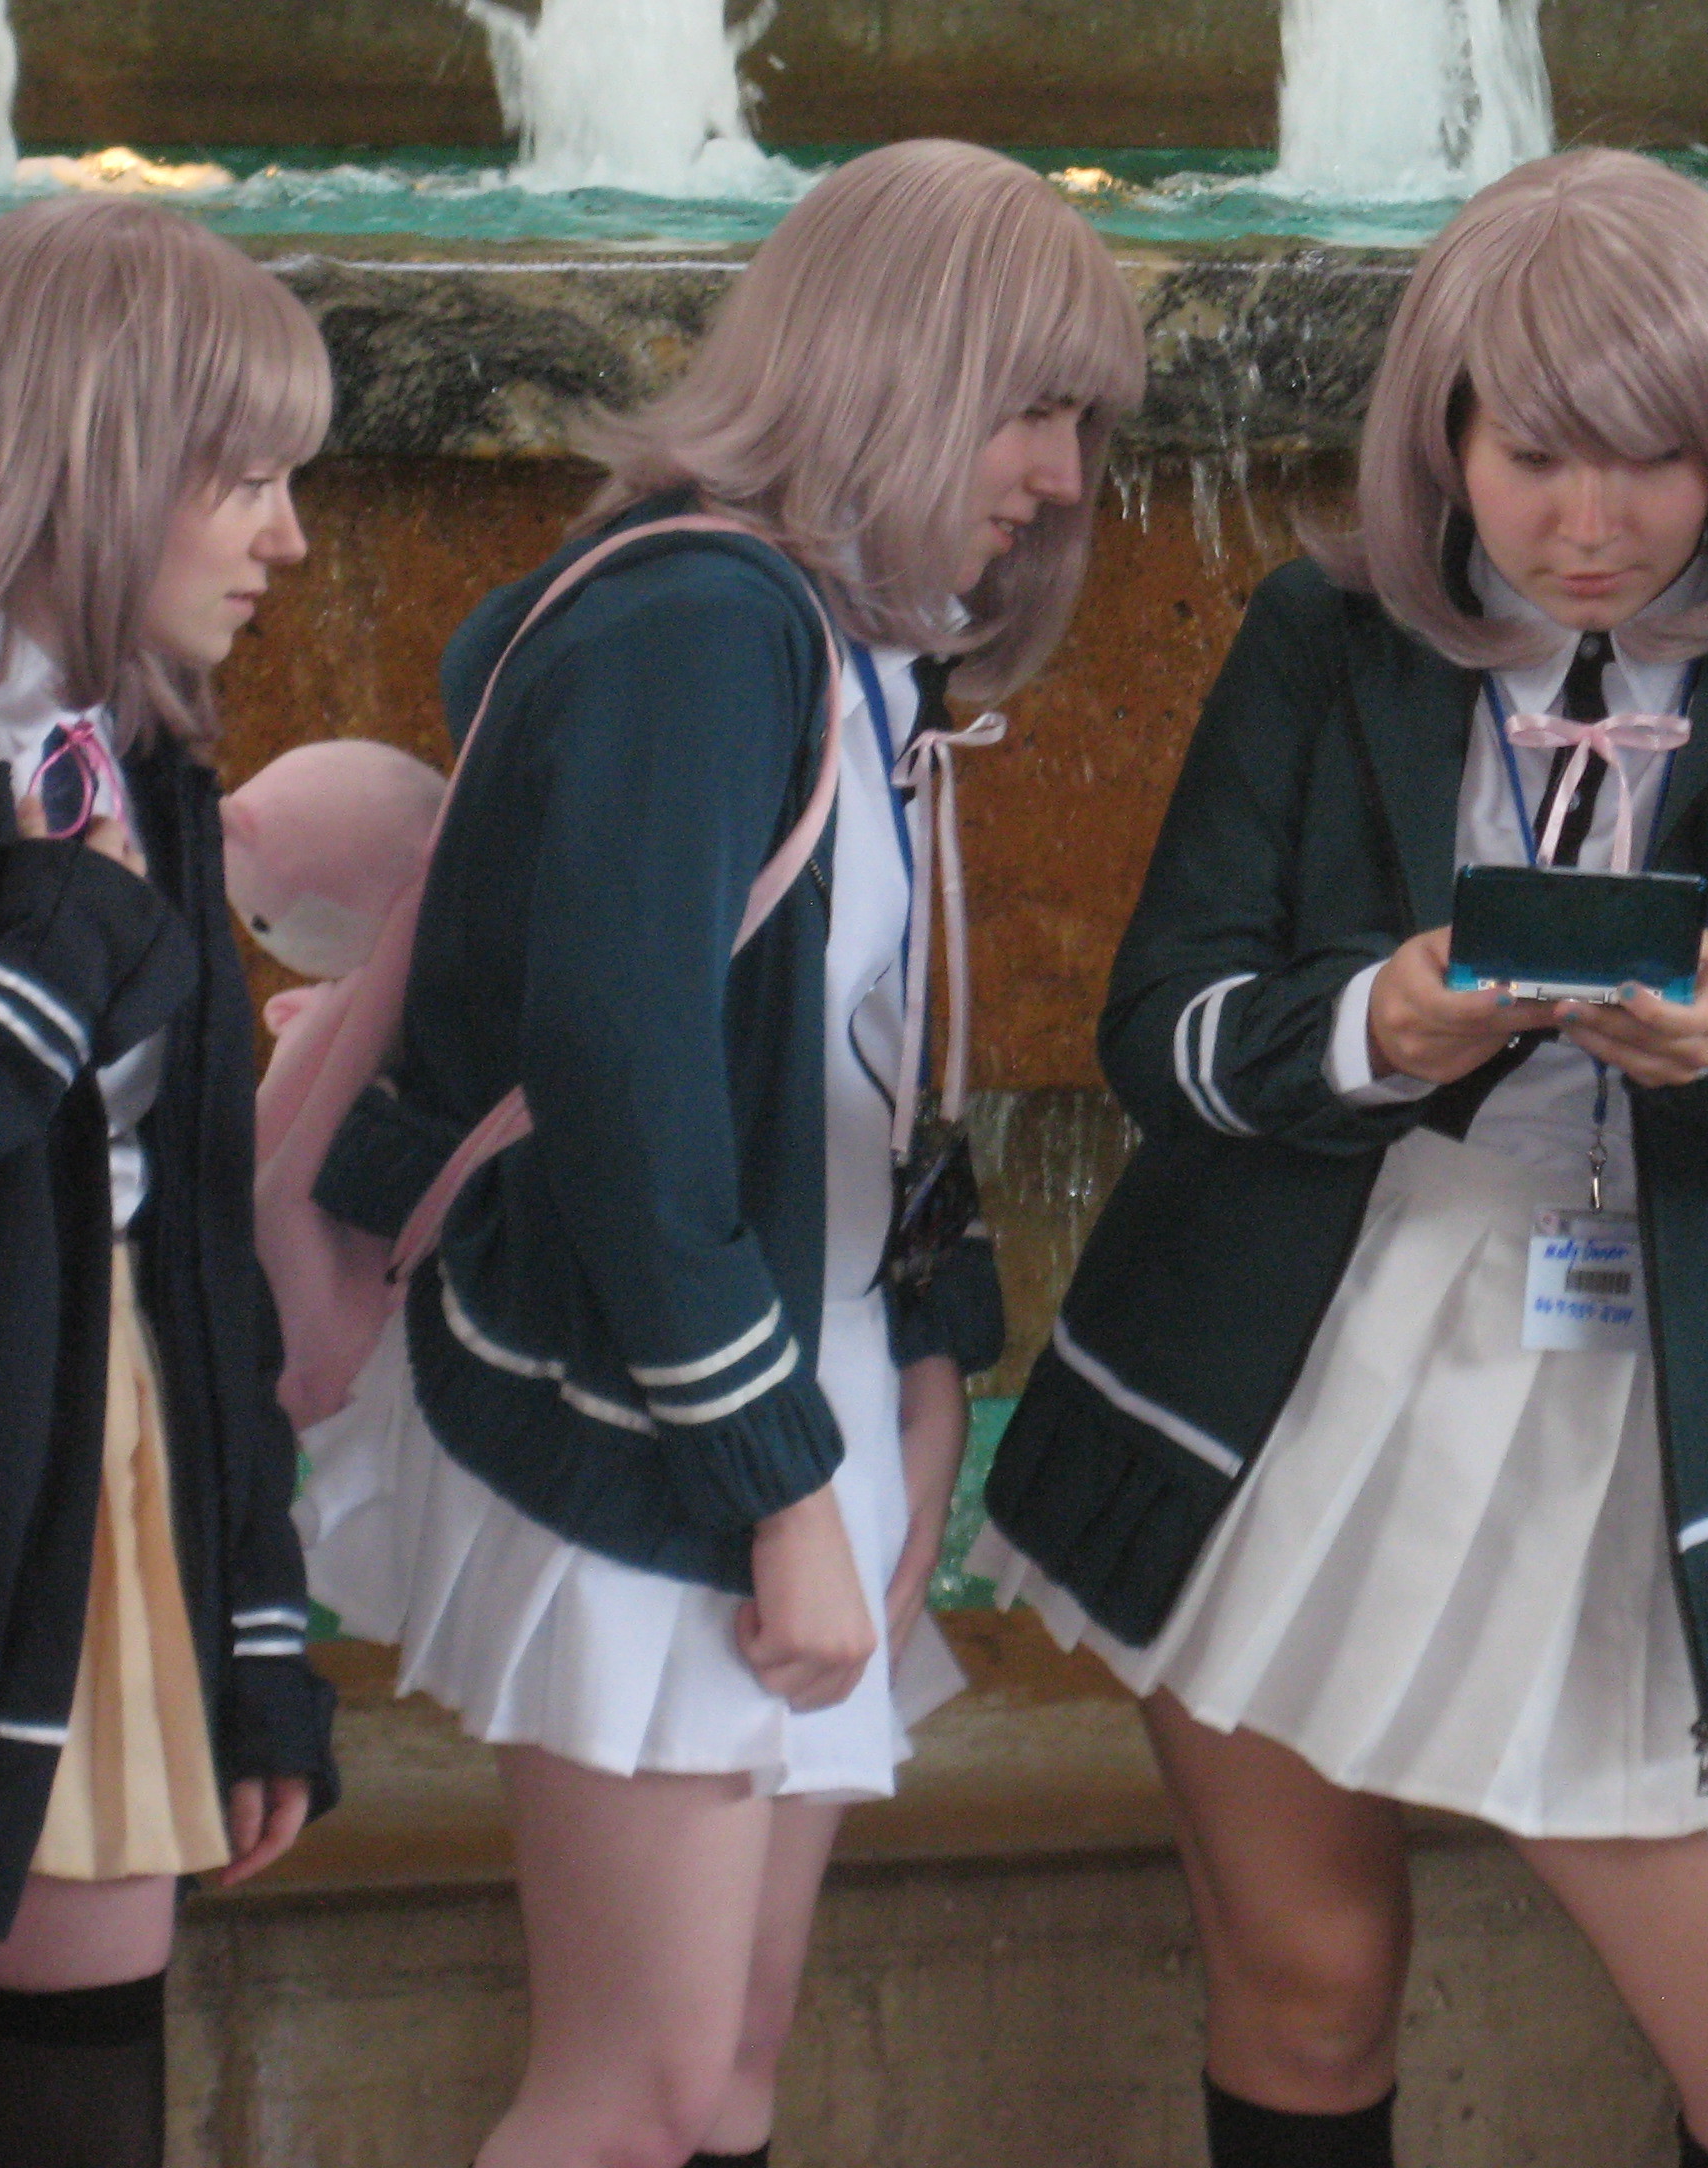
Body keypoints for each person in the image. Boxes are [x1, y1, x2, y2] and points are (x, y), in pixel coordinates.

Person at [973, 147, 1708, 2168]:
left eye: (1657, 458)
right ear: (1446, 437)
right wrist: (1375, 1028)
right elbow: (1158, 1030)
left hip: (1634, 1413)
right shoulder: (1328, 635)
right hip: (1279, 1379)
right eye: (1535, 457)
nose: (1592, 523)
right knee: (1311, 1994)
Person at [295, 139, 1145, 2168]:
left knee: (735, 2059)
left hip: (787, 1406)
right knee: (642, 2089)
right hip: (669, 1422)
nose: (1062, 479)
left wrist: (922, 1357)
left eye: (1083, 425)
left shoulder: (845, 643)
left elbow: (859, 1058)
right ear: (890, 367)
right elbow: (623, 1084)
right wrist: (778, 1487)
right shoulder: (701, 629)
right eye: (1029, 411)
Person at [0, 195, 339, 2168]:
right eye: (248, 479)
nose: (289, 540)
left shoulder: (137, 760)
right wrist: (42, 978)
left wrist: (256, 1619)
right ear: (95, 459)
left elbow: (187, 1234)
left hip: (93, 1506)